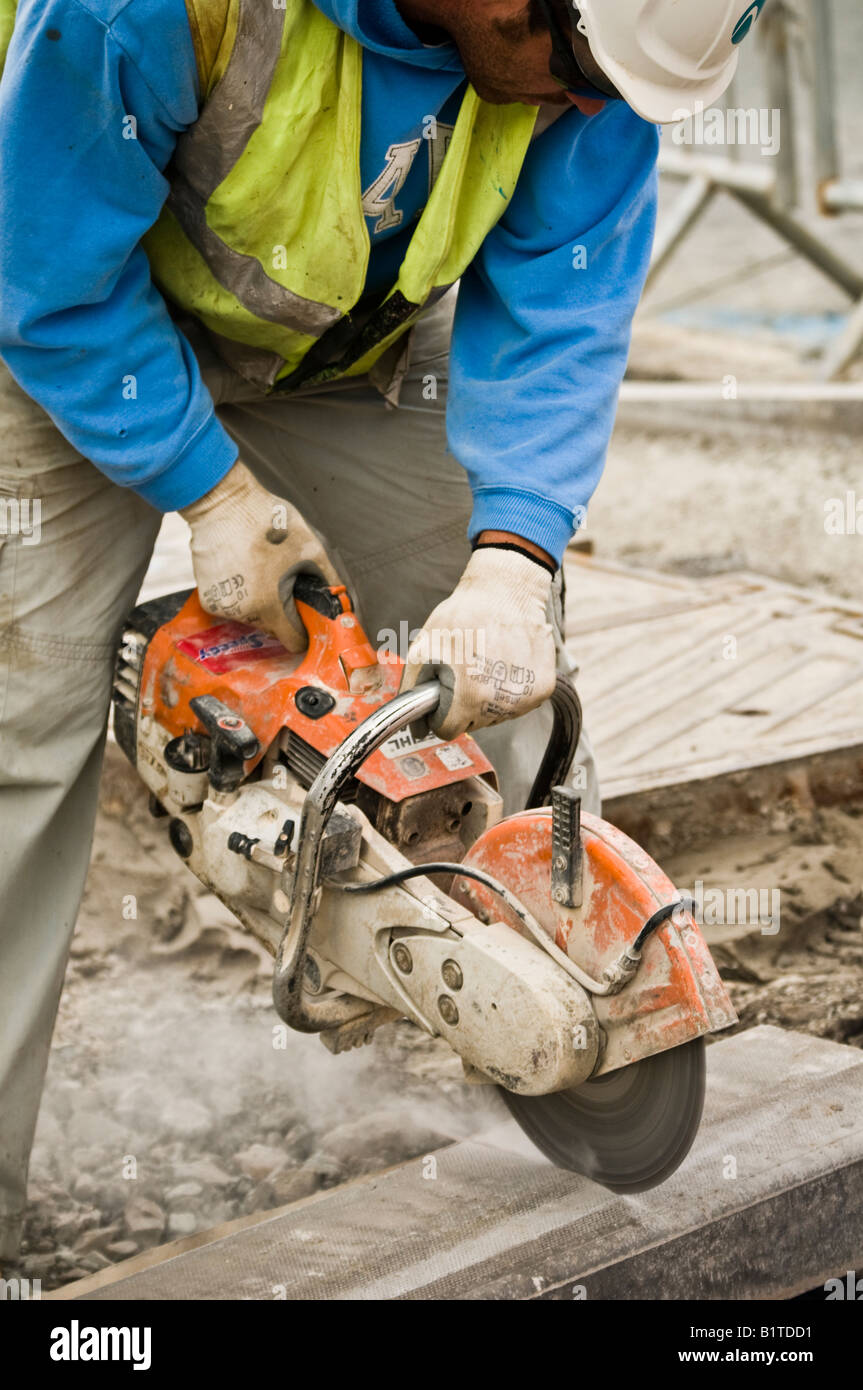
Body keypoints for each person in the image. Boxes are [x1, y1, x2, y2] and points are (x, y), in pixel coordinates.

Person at [0, 0, 757, 1263]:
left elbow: (559, 312)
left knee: (495, 694)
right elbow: (42, 263)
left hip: (351, 350)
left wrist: (514, 555)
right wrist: (209, 485)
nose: (586, 110)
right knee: (18, 738)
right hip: (70, 319)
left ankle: (561, 1055)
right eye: (576, 72)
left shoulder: (599, 62)